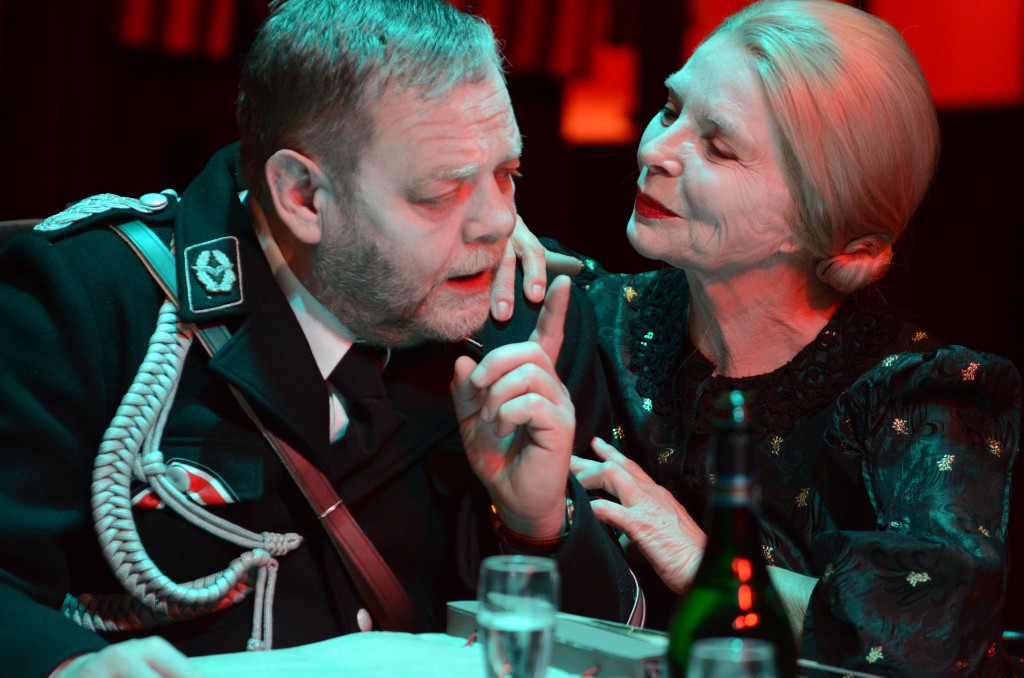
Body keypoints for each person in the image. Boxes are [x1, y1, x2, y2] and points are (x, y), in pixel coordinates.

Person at [0, 1, 640, 675]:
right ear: (302, 196)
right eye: (438, 194)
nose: (497, 223)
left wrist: (540, 526)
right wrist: (69, 667)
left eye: (507, 175)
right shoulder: (94, 300)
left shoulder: (525, 329)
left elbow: (620, 650)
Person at [563, 1, 1022, 675]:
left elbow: (926, 631)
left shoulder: (915, 397)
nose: (656, 151)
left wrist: (705, 562)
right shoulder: (602, 318)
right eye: (668, 108)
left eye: (719, 147)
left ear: (819, 227)